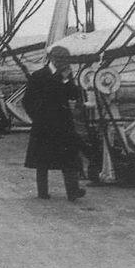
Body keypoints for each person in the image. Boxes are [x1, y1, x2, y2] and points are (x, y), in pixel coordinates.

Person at [22, 45, 86, 202]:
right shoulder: (38, 76)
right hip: (44, 124)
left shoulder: (65, 75)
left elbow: (73, 94)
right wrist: (36, 117)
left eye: (66, 60)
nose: (64, 63)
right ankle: (42, 192)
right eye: (61, 59)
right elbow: (27, 101)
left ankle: (73, 192)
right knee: (42, 161)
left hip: (63, 123)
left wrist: (67, 80)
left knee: (69, 157)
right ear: (52, 58)